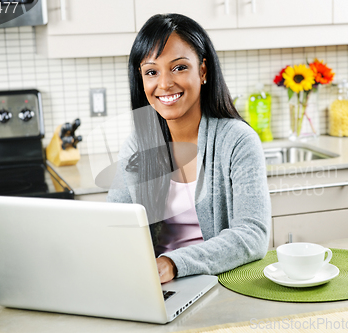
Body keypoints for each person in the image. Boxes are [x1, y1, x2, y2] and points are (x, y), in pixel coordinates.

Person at [107, 13, 271, 283]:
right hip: (157, 287)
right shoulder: (137, 146)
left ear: (203, 71)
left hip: (222, 284)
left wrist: (174, 262)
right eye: (151, 72)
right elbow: (114, 225)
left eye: (179, 67)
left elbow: (252, 234)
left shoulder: (238, 141)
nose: (164, 84)